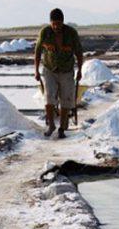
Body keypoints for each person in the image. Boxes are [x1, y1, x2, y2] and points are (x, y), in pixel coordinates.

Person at [34, 8, 83, 138]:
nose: (56, 27)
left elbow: (79, 53)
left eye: (58, 24)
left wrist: (80, 71)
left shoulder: (71, 33)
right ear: (50, 22)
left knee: (66, 100)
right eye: (53, 24)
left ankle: (62, 128)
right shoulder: (45, 32)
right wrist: (36, 71)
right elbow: (38, 52)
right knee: (49, 98)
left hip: (66, 70)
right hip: (49, 69)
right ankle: (51, 125)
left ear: (63, 22)